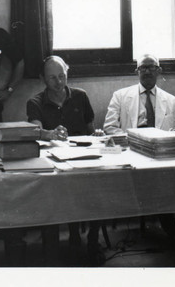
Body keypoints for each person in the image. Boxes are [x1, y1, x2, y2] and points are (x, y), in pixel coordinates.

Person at [103, 54, 175, 246]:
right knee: (158, 179)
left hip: (163, 152)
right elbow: (109, 127)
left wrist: (167, 140)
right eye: (143, 67)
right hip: (134, 151)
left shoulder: (171, 100)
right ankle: (172, 227)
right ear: (137, 72)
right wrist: (136, 141)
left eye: (151, 67)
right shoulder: (121, 96)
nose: (147, 71)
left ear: (159, 71)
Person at [27, 55, 105, 266]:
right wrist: (49, 134)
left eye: (62, 76)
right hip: (54, 164)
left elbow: (90, 131)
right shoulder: (35, 102)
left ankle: (92, 239)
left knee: (100, 186)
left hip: (82, 161)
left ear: (67, 73)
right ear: (43, 78)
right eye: (52, 78)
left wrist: (97, 134)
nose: (59, 82)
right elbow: (35, 131)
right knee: (51, 190)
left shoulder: (81, 96)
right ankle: (53, 245)